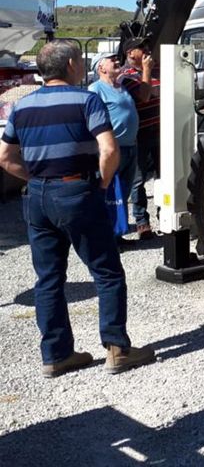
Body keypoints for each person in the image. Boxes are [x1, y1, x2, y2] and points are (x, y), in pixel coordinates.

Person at [0, 40, 155, 376]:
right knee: (107, 272)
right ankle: (117, 349)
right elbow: (110, 150)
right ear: (70, 64)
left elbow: (5, 158)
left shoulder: (22, 107)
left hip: (38, 197)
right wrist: (99, 183)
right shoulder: (87, 99)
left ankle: (56, 355)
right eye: (79, 61)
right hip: (78, 191)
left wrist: (37, 178)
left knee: (49, 278)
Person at [88, 53, 139, 238]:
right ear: (101, 68)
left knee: (122, 194)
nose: (117, 61)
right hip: (112, 150)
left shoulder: (121, 86)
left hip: (130, 147)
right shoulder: (96, 89)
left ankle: (117, 234)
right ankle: (106, 237)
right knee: (109, 194)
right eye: (112, 60)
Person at [120, 38, 158, 238]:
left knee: (165, 175)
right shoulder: (126, 76)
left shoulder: (154, 69)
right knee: (138, 180)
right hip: (140, 134)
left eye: (146, 46)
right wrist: (147, 70)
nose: (145, 49)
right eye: (140, 48)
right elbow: (144, 96)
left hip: (161, 130)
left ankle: (165, 215)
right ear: (129, 54)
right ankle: (142, 221)